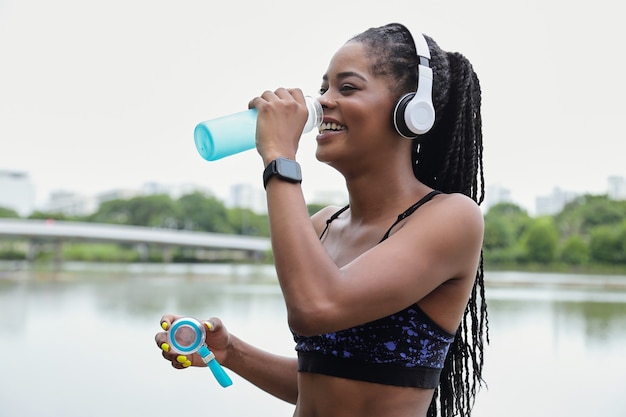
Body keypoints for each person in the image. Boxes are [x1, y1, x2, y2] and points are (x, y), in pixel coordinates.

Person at [156, 22, 487, 417]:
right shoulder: (323, 225)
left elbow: (315, 309)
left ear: (411, 112)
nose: (323, 101)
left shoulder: (450, 218)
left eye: (347, 88)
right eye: (324, 88)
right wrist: (231, 353)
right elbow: (322, 382)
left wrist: (280, 157)